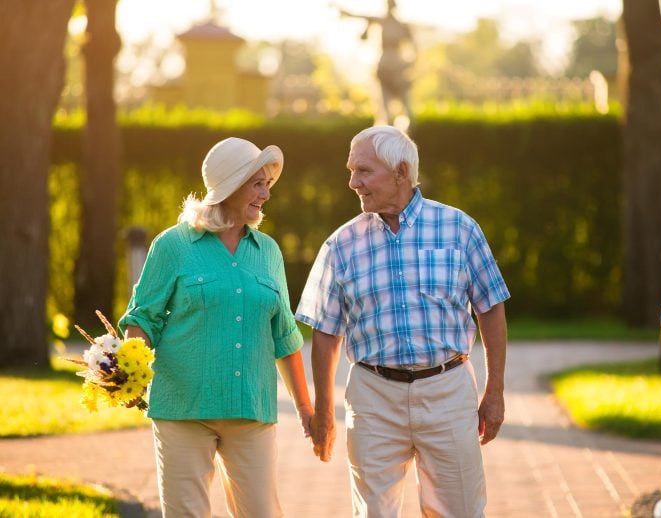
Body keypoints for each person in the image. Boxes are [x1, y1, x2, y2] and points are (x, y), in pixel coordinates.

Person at [296, 125, 510, 517]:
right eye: (351, 171)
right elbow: (325, 332)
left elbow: (491, 308)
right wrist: (323, 410)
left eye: (363, 171)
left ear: (401, 172)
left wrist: (494, 392)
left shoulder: (459, 229)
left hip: (448, 391)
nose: (353, 182)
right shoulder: (341, 244)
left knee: (460, 510)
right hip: (373, 396)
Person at [118, 137, 313, 518]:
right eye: (257, 184)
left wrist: (307, 409)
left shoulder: (268, 252)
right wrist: (131, 374)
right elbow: (142, 320)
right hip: (183, 408)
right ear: (230, 185)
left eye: (266, 185)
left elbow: (285, 335)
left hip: (250, 409)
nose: (265, 194)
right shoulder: (173, 246)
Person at [338, 0, 415, 128]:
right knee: (385, 112)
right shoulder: (380, 21)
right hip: (384, 64)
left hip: (398, 66)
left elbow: (413, 47)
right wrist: (345, 12)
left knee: (407, 111)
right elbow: (359, 18)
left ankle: (402, 135)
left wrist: (409, 64)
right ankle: (385, 134)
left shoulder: (402, 26)